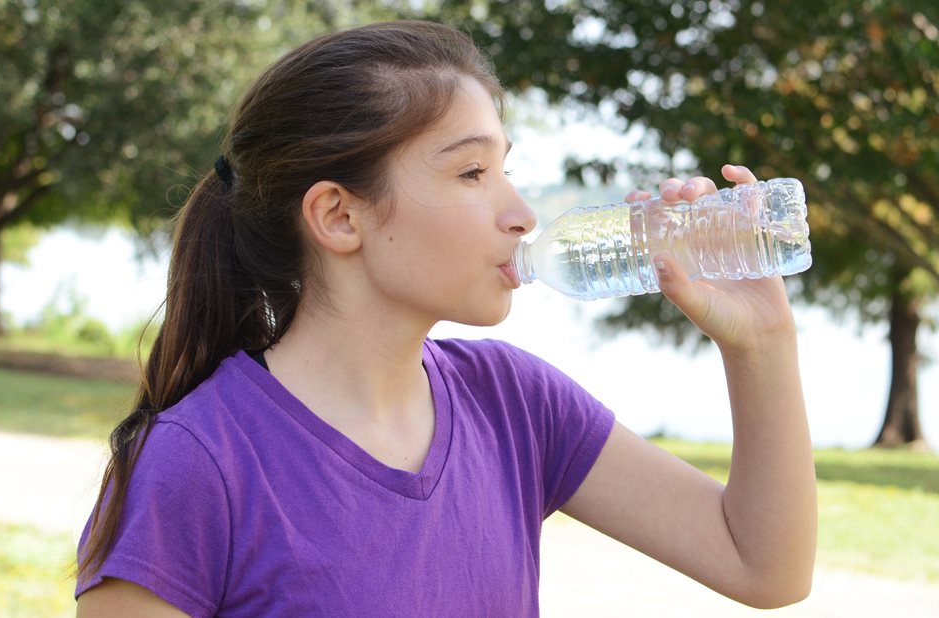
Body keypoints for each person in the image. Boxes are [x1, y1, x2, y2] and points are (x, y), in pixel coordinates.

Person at [75, 20, 816, 617]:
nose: (523, 215)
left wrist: (762, 343)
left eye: (507, 170)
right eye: (472, 173)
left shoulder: (515, 405)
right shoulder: (198, 463)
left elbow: (764, 567)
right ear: (338, 215)